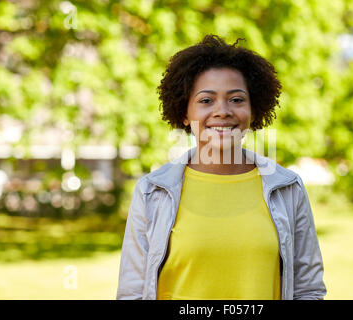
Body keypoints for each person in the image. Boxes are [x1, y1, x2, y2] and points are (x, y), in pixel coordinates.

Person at [116, 34, 326, 300]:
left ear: (253, 109)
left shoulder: (287, 188)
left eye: (236, 99)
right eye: (206, 100)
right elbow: (132, 293)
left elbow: (308, 289)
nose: (222, 111)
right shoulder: (152, 191)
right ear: (184, 112)